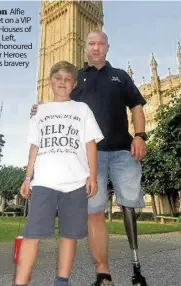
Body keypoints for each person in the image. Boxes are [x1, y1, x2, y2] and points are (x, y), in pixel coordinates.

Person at [31, 31, 148, 286]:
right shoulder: (77, 77)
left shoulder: (120, 76)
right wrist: (42, 109)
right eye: (91, 44)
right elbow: (61, 102)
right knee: (94, 212)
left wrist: (140, 136)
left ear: (107, 47)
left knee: (128, 205)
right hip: (89, 156)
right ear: (85, 48)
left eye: (100, 44)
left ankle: (136, 265)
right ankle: (103, 273)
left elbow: (137, 106)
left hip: (123, 151)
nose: (96, 48)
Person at [13, 61, 104, 286]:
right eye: (58, 78)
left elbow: (91, 144)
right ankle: (20, 281)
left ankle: (62, 280)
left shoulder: (82, 109)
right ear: (50, 82)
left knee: (69, 234)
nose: (62, 82)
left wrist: (92, 176)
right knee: (32, 233)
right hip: (44, 180)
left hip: (75, 181)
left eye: (67, 79)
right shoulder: (41, 110)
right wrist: (27, 177)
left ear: (73, 85)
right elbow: (34, 145)